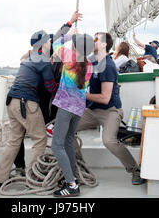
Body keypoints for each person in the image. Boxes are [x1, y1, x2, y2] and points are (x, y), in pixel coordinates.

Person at [13, 12, 83, 174]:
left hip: (48, 105)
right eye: (49, 41)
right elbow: (58, 39)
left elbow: (58, 38)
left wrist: (70, 22)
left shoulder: (55, 59)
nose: (52, 43)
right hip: (34, 103)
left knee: (63, 133)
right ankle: (24, 168)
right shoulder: (37, 57)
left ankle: (72, 165)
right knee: (25, 136)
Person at [75, 32, 146, 185]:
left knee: (109, 141)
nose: (91, 42)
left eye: (95, 40)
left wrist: (81, 95)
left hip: (110, 111)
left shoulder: (107, 66)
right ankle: (78, 166)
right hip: (92, 110)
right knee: (67, 130)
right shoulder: (93, 62)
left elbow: (105, 98)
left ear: (103, 45)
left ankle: (135, 170)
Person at [0, 30, 58, 187]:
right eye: (49, 41)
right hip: (26, 102)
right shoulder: (43, 60)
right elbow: (50, 88)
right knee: (40, 138)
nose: (50, 43)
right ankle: (33, 177)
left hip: (12, 101)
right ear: (43, 44)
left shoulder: (27, 58)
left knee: (14, 141)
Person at [50, 29, 94, 197]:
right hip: (79, 108)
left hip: (66, 107)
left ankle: (72, 185)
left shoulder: (69, 56)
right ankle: (73, 177)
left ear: (75, 46)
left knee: (56, 145)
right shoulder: (89, 65)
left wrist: (69, 34)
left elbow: (54, 43)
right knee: (68, 141)